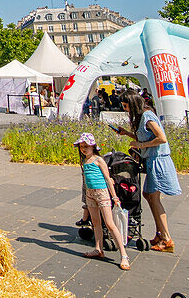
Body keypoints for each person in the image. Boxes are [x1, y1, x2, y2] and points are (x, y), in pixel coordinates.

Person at [117, 93, 180, 252]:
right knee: (149, 195)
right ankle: (161, 234)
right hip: (153, 160)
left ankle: (166, 238)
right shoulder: (144, 116)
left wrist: (141, 145)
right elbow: (146, 136)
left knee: (153, 196)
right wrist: (127, 133)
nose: (125, 110)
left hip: (157, 160)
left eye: (126, 106)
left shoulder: (146, 116)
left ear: (132, 104)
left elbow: (161, 138)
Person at [74, 132, 130, 270]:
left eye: (86, 146)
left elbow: (108, 179)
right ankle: (98, 249)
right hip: (90, 194)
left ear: (93, 146)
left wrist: (114, 196)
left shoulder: (98, 160)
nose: (83, 149)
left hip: (102, 193)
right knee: (96, 223)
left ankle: (124, 255)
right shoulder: (84, 161)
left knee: (110, 224)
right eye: (81, 146)